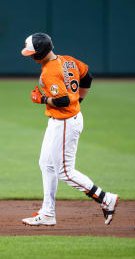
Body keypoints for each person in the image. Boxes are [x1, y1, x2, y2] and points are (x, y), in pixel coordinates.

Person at [20, 33, 119, 226]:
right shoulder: (68, 61)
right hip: (64, 120)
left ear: (40, 52)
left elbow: (62, 101)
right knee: (45, 163)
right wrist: (78, 101)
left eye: (32, 54)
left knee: (65, 172)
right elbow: (87, 77)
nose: (31, 57)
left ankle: (105, 198)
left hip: (65, 122)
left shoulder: (49, 71)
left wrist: (41, 99)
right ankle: (47, 213)